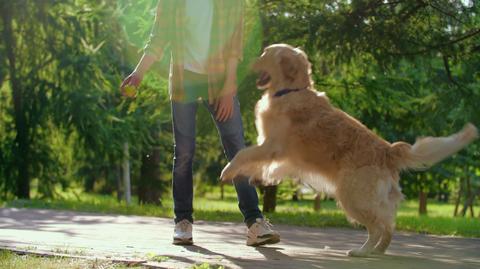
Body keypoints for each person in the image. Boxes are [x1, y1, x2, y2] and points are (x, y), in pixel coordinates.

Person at [120, 0, 280, 246]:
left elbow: (233, 44)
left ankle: (255, 223)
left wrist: (228, 88)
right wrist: (139, 73)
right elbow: (159, 38)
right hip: (184, 78)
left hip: (218, 80)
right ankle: (183, 222)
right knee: (184, 152)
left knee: (237, 146)